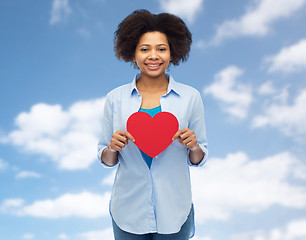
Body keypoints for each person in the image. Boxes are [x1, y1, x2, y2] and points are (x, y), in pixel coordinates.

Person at [97, 9, 208, 240]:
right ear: (133, 53)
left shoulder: (190, 97)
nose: (153, 56)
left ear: (172, 52)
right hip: (128, 208)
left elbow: (198, 158)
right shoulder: (115, 99)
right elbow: (106, 159)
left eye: (161, 49)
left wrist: (194, 146)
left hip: (175, 208)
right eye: (144, 49)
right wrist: (111, 148)